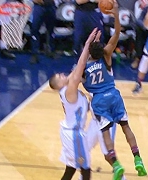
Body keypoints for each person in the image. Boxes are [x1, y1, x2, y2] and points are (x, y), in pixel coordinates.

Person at [80, 1, 147, 179]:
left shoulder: (84, 68)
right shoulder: (106, 57)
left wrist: (87, 47)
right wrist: (116, 14)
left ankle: (116, 164)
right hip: (114, 96)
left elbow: (75, 77)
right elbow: (117, 33)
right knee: (126, 127)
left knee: (105, 135)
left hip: (99, 101)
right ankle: (138, 159)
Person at [48, 29, 99, 180]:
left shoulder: (68, 86)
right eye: (60, 76)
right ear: (59, 84)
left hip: (71, 133)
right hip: (73, 134)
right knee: (85, 168)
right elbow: (80, 66)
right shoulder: (69, 90)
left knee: (70, 169)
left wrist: (92, 49)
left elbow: (77, 68)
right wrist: (88, 45)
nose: (63, 75)